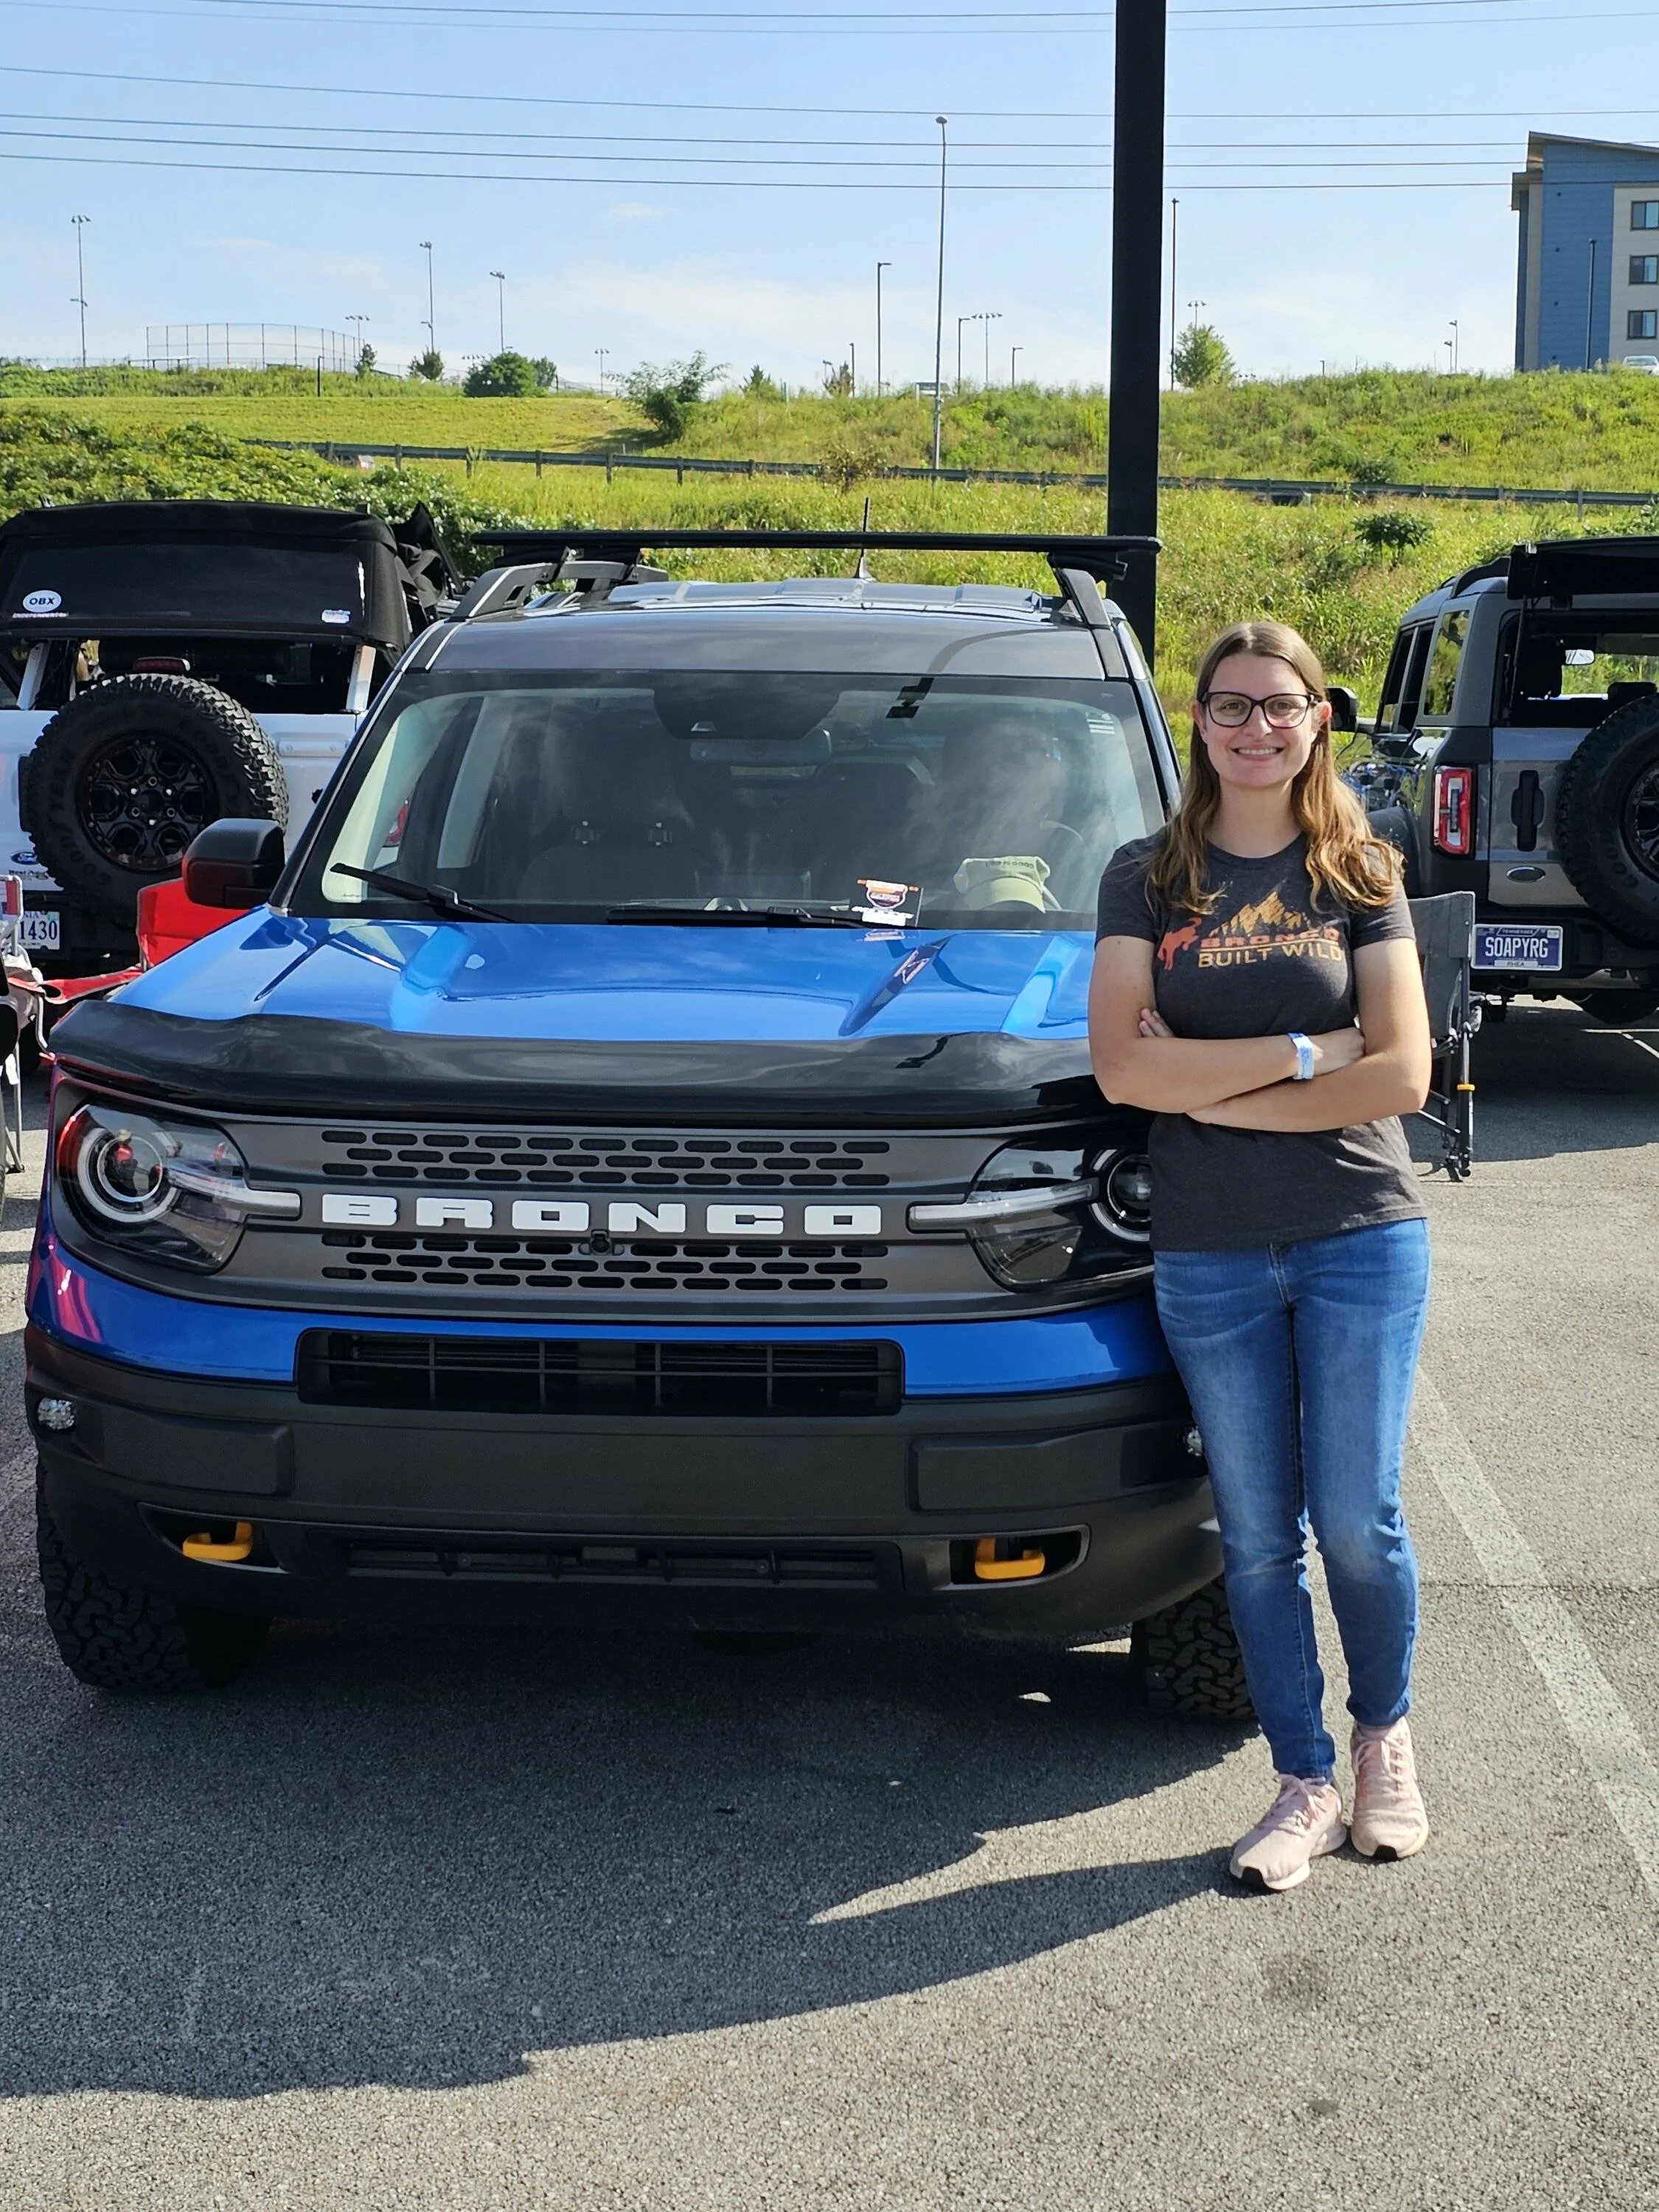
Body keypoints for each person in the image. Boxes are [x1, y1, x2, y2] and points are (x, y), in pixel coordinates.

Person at [1088, 619, 1434, 1894]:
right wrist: (1301, 1057)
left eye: (1277, 705)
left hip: (1357, 1235)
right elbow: (1123, 1068)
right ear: (1198, 721)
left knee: (1357, 1522)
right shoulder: (1147, 876)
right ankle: (1298, 1781)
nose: (1254, 728)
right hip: (1211, 1253)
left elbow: (1400, 1071)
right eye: (1229, 706)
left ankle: (1381, 1745)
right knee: (1251, 1538)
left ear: (1315, 719)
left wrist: (1210, 1092)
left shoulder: (1359, 870)